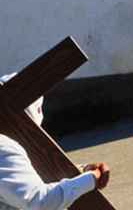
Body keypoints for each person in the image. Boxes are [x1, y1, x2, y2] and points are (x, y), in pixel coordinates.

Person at [0, 74, 110, 210]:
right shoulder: (4, 148)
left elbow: (21, 177)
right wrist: (91, 179)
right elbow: (40, 202)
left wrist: (80, 171)